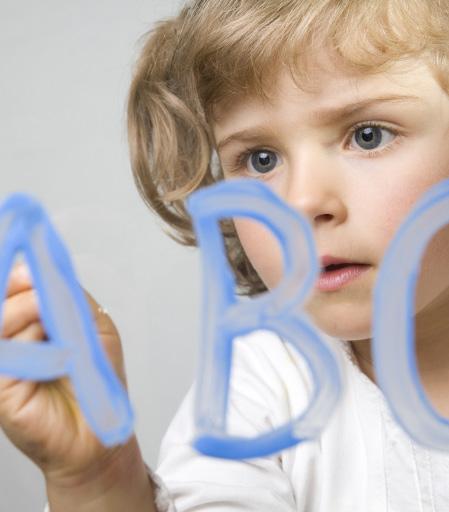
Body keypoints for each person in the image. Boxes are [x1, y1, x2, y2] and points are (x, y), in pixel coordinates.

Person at [1, 0, 449, 510]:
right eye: (260, 159)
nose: (300, 202)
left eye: (368, 136)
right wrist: (100, 481)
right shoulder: (264, 384)